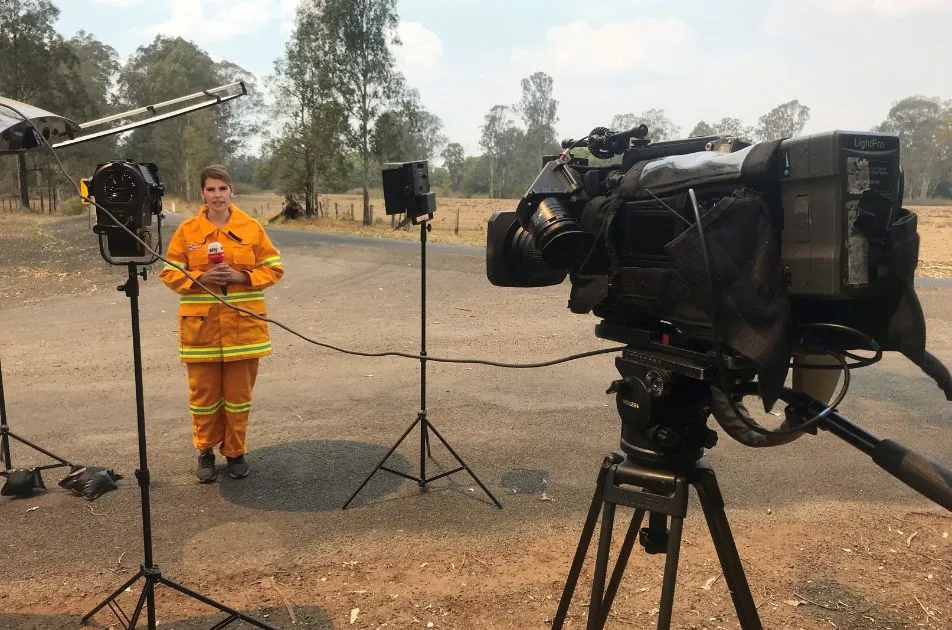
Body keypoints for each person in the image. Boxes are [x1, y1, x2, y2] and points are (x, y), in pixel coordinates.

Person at [159, 165, 284, 483]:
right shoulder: (187, 231)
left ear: (232, 192)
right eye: (211, 189)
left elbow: (273, 268)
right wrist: (200, 278)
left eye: (222, 189)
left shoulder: (252, 228)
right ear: (202, 192)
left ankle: (235, 452)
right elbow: (169, 272)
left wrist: (242, 276)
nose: (217, 195)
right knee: (203, 398)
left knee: (238, 397)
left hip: (244, 331)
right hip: (201, 332)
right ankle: (205, 453)